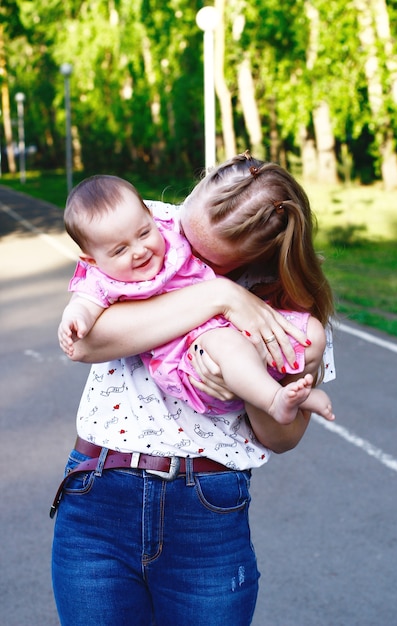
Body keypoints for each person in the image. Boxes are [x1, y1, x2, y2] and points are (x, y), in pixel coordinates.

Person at [51, 152, 335, 626]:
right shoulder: (142, 225)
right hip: (99, 494)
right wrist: (219, 295)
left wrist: (247, 383)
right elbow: (86, 343)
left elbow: (284, 439)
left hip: (207, 509)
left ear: (248, 261)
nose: (171, 247)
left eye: (210, 260)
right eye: (186, 225)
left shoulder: (284, 303)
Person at [58, 175, 334, 426]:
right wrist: (75, 318)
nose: (140, 250)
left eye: (144, 234)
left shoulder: (147, 225)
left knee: (312, 333)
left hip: (234, 359)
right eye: (120, 249)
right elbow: (84, 314)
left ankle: (280, 394)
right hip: (187, 353)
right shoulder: (108, 266)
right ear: (92, 261)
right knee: (225, 344)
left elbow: (283, 442)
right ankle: (274, 398)